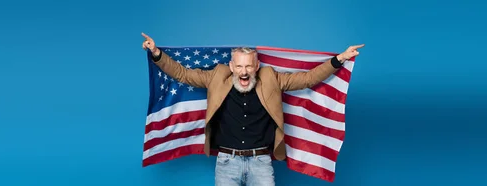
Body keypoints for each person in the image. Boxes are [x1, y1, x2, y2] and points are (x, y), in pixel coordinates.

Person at [141, 32, 364, 186]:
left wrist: (339, 59)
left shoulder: (271, 78)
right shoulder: (217, 76)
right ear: (231, 66)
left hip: (261, 162)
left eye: (249, 65)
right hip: (227, 161)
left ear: (256, 66)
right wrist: (157, 53)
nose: (244, 71)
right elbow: (183, 74)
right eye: (239, 66)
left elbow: (307, 79)